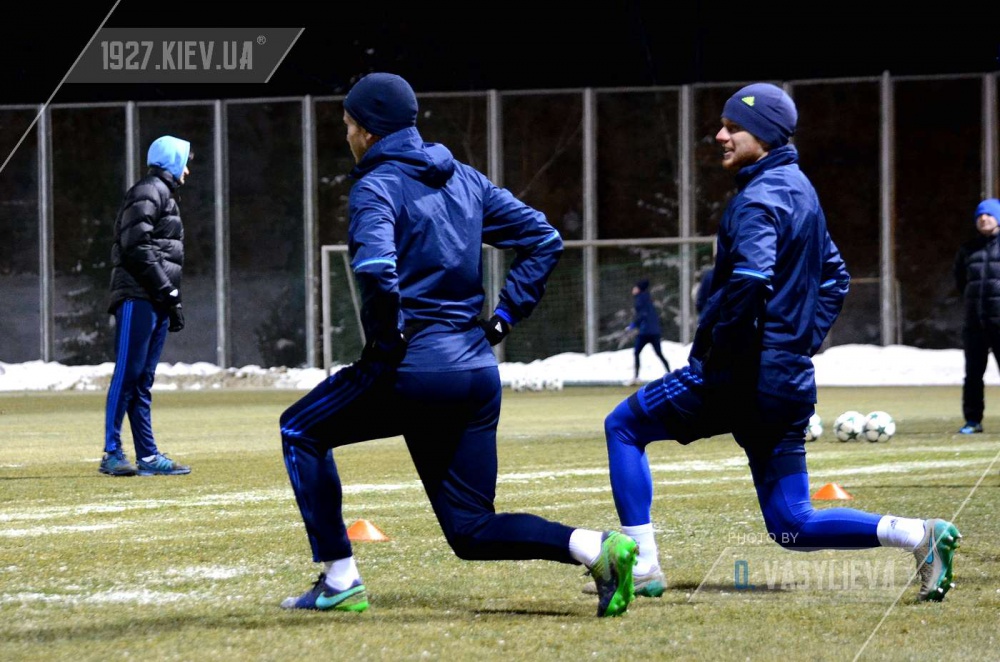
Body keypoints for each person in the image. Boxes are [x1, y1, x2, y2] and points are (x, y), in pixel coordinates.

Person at [278, 72, 637, 617]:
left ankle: (339, 579)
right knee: (471, 529)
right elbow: (544, 238)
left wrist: (387, 340)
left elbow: (375, 267)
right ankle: (595, 547)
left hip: (413, 369)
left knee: (300, 429)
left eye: (349, 125)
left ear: (369, 131)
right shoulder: (465, 178)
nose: (347, 135)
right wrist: (503, 320)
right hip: (476, 372)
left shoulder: (375, 186)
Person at [587, 83, 962, 602]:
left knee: (624, 426)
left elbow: (751, 278)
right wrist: (798, 341)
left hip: (741, 375)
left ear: (762, 134)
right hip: (785, 379)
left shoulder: (758, 198)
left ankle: (645, 566)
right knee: (792, 523)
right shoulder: (801, 189)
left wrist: (725, 352)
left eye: (732, 127)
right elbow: (836, 277)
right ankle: (919, 535)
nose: (720, 136)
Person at [100, 136, 193, 478]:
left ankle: (148, 456)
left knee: (142, 380)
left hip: (154, 298)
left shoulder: (162, 193)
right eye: (184, 161)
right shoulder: (148, 190)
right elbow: (135, 244)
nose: (187, 169)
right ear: (171, 161)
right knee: (127, 374)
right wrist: (167, 290)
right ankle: (111, 452)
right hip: (138, 297)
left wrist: (170, 299)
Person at [954, 197, 1000, 434]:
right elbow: (961, 281)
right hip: (975, 323)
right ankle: (973, 420)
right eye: (980, 215)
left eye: (989, 214)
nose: (983, 219)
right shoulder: (968, 249)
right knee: (973, 374)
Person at [626, 279, 670, 384]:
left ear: (639, 289)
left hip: (645, 331)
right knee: (659, 353)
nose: (633, 289)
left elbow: (641, 315)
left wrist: (633, 325)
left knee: (637, 352)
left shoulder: (640, 300)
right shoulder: (649, 298)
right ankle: (670, 373)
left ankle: (636, 377)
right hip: (655, 331)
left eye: (635, 287)